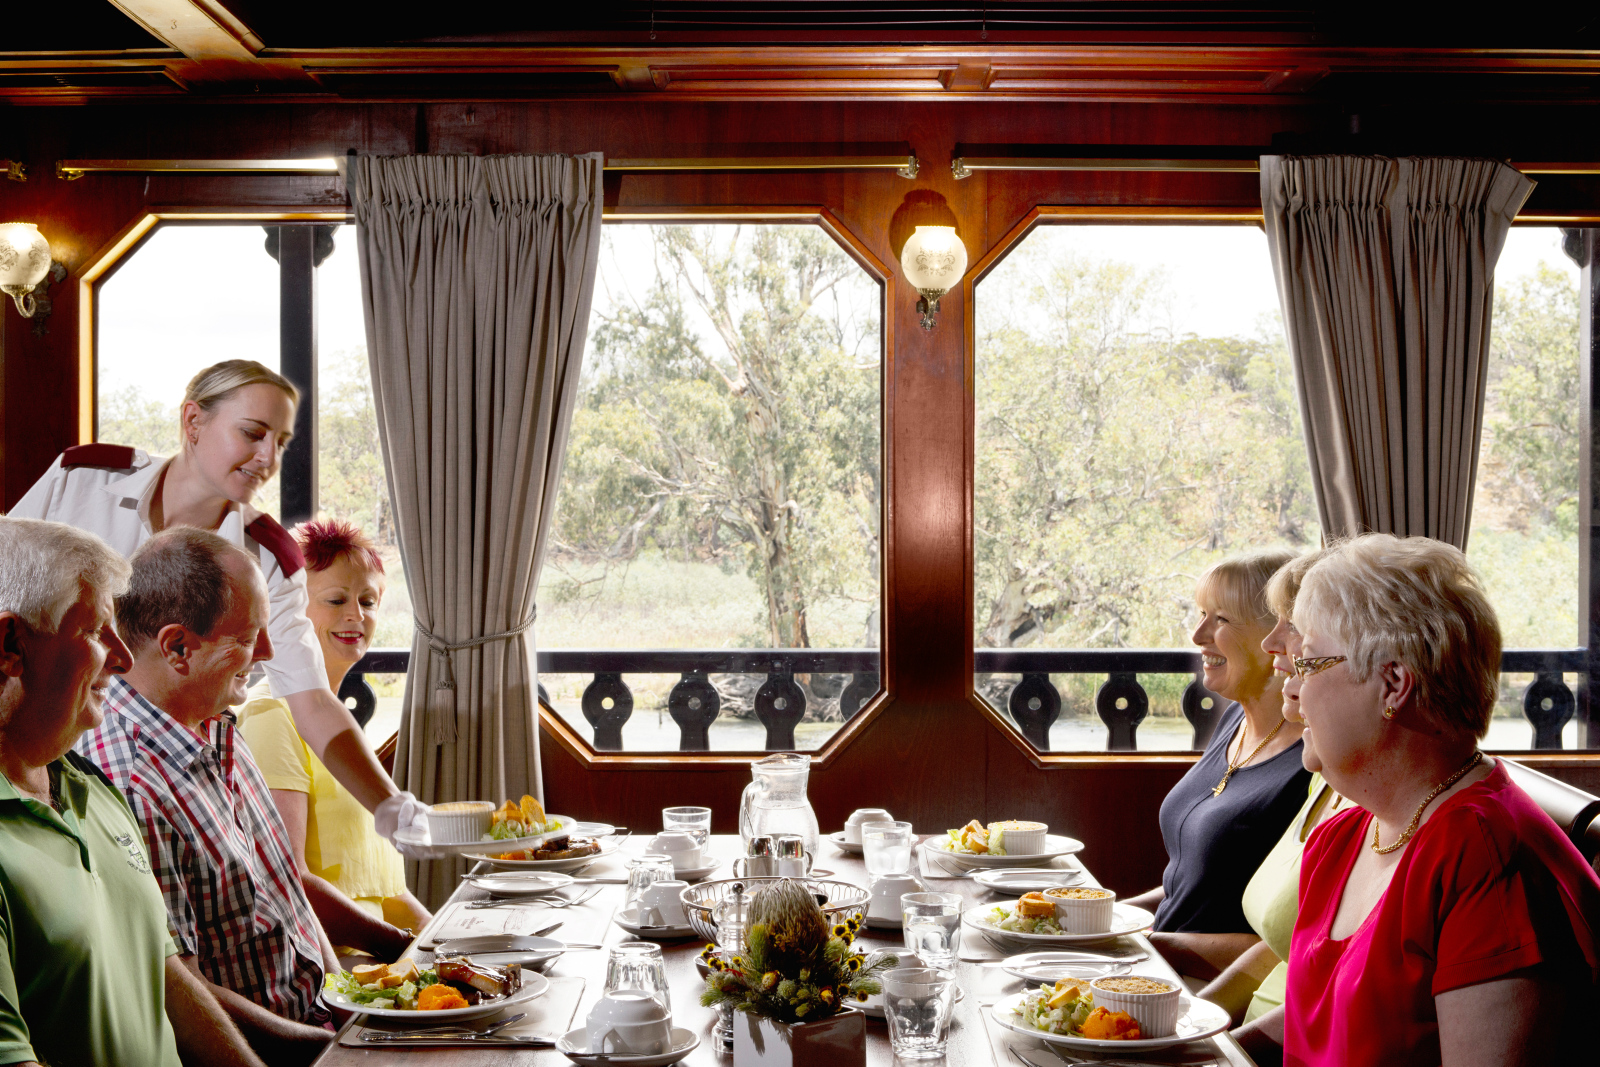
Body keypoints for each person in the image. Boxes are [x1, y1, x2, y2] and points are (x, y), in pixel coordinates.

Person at [8, 360, 422, 843]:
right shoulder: (83, 481)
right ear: (193, 422)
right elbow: (5, 574)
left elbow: (310, 698)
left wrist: (389, 805)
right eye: (252, 433)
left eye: (280, 442)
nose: (267, 457)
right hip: (29, 739)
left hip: (154, 776)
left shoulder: (267, 557)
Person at [1285, 534, 1600, 1066]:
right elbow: (1331, 1017)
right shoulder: (1342, 836)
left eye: (1308, 664)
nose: (1291, 692)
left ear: (1392, 684)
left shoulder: (1482, 854)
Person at [0, 517, 266, 1067]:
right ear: (9, 646)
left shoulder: (92, 790)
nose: (122, 658)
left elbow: (165, 977)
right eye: (97, 631)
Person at [76, 526, 340, 1066]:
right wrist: (335, 1048)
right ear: (177, 647)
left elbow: (289, 899)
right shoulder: (128, 783)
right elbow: (179, 993)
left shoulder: (215, 720)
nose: (264, 652)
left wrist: (358, 1006)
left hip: (322, 1026)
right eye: (247, 637)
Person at [237, 518, 430, 957]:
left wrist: (445, 944)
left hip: (379, 961)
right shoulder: (271, 716)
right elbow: (290, 880)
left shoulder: (338, 725)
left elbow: (385, 892)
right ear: (286, 612)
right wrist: (404, 951)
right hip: (334, 973)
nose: (355, 615)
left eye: (367, 601)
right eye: (335, 600)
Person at [1193, 548, 1349, 1066]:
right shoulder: (1329, 778)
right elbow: (1292, 954)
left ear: (1391, 677)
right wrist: (1194, 1032)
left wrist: (1205, 1047)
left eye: (1297, 634)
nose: (1274, 646)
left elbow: (1339, 1005)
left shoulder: (1442, 829)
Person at [1124, 548, 1311, 980]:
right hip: (1160, 972)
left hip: (1212, 990)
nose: (1197, 635)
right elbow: (1189, 891)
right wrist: (1096, 919)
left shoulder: (1315, 762)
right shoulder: (1233, 722)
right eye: (1201, 614)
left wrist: (1147, 949)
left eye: (1221, 619)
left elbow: (1285, 952)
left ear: (1279, 636)